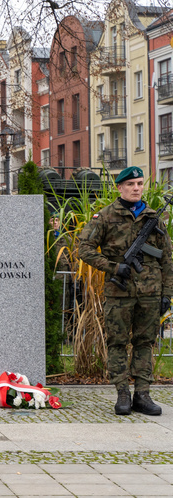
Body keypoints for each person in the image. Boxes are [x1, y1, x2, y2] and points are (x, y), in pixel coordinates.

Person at [77, 166, 172, 416]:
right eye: (130, 184)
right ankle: (122, 393)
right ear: (120, 187)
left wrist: (167, 293)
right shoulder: (106, 217)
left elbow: (167, 259)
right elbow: (84, 249)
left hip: (150, 293)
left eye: (140, 183)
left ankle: (142, 394)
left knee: (145, 343)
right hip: (119, 293)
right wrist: (113, 267)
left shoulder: (154, 217)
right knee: (117, 342)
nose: (136, 188)